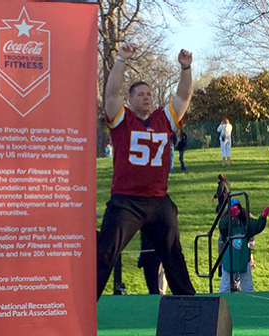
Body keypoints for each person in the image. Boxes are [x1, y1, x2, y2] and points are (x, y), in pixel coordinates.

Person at [96, 42, 196, 300]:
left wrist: (186, 68)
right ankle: (81, 310)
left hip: (158, 201)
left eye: (149, 93)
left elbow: (183, 97)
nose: (147, 96)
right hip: (126, 201)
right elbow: (111, 94)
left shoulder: (164, 118)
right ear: (130, 100)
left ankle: (190, 308)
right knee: (104, 254)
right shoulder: (122, 119)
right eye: (140, 94)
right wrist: (121, 60)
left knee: (173, 255)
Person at [218, 199, 269, 293]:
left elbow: (255, 226)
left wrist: (263, 217)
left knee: (247, 285)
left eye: (237, 207)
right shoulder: (226, 222)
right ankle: (222, 302)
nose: (236, 210)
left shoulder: (244, 222)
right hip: (229, 256)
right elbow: (222, 226)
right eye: (233, 208)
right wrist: (230, 216)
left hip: (243, 256)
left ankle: (250, 303)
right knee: (225, 285)